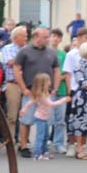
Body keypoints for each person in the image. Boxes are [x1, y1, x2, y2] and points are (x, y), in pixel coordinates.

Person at [12, 26, 60, 158]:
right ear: (36, 37)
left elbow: (56, 70)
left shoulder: (51, 52)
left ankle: (43, 147)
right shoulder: (25, 51)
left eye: (47, 37)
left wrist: (55, 88)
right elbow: (16, 69)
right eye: (45, 37)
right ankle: (23, 146)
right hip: (31, 91)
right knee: (26, 120)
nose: (47, 39)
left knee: (46, 120)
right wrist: (23, 88)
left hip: (46, 92)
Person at [20, 74, 69, 160]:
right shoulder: (42, 95)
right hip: (40, 118)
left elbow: (31, 102)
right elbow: (51, 104)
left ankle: (44, 152)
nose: (50, 83)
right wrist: (63, 100)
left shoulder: (45, 93)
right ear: (43, 84)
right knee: (41, 136)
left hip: (45, 118)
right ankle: (37, 153)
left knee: (45, 136)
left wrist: (25, 109)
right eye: (48, 82)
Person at [0, 25, 28, 145]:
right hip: (13, 84)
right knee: (12, 116)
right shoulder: (7, 48)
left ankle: (23, 142)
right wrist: (24, 60)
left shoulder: (28, 49)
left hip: (26, 84)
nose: (26, 38)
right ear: (16, 37)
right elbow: (10, 62)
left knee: (25, 116)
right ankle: (10, 141)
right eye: (24, 36)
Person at [49, 29, 70, 155]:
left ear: (61, 39)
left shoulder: (63, 55)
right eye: (53, 36)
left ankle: (59, 143)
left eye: (58, 37)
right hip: (48, 89)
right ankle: (44, 142)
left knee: (60, 119)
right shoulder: (45, 53)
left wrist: (59, 79)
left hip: (61, 90)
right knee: (46, 118)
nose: (55, 39)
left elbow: (65, 72)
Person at [66, 41, 87, 160]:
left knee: (86, 125)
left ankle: (83, 148)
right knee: (80, 124)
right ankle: (79, 149)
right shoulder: (80, 64)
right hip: (82, 98)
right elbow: (83, 83)